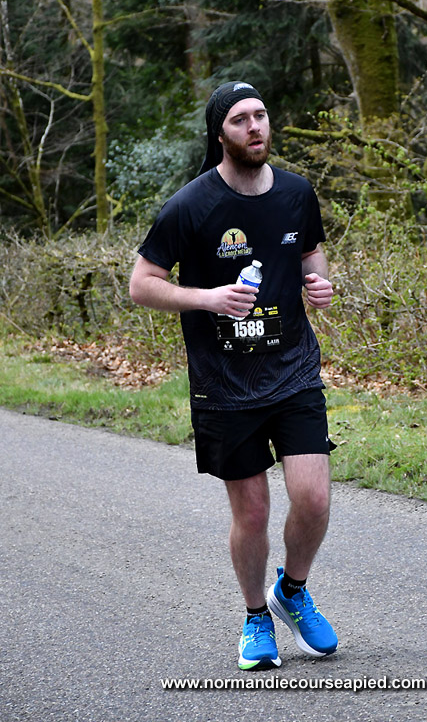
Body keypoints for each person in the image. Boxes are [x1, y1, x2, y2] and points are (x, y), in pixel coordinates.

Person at [129, 80, 338, 670]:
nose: (255, 127)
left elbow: (309, 254)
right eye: (241, 119)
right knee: (252, 513)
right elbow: (141, 285)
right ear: (220, 133)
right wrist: (208, 298)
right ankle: (255, 619)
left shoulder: (297, 192)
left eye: (261, 115)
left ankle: (291, 591)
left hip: (294, 370)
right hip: (224, 382)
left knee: (314, 499)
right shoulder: (190, 205)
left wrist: (319, 284)